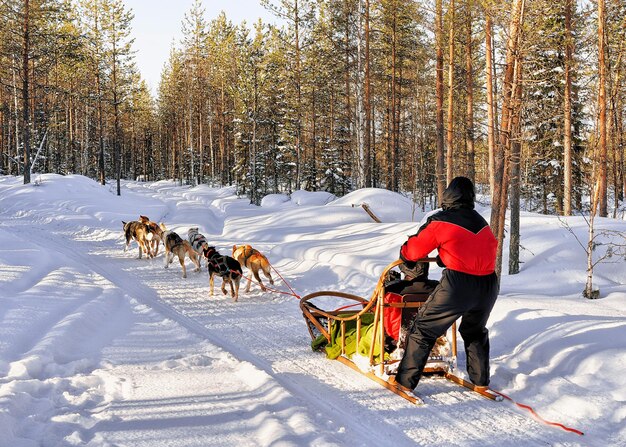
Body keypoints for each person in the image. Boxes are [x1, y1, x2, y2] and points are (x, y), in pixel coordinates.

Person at [394, 176, 499, 391]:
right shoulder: (482, 223)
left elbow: (414, 251)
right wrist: (446, 256)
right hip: (488, 285)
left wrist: (404, 252)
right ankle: (481, 382)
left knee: (423, 329)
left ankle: (405, 383)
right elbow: (474, 251)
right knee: (475, 331)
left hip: (458, 285)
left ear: (448, 196)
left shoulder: (442, 220)